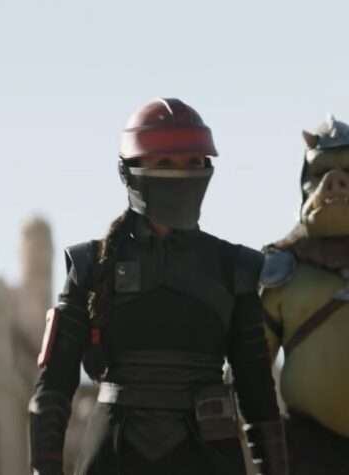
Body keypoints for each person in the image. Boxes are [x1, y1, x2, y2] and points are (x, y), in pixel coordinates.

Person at [28, 98, 288, 475]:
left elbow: (259, 397)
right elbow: (53, 389)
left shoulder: (234, 267)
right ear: (130, 171)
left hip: (207, 457)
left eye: (193, 163)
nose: (181, 175)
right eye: (165, 163)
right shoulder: (90, 266)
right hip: (115, 456)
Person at [260, 116, 349, 474]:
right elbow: (249, 371)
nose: (336, 182)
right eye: (322, 172)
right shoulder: (280, 269)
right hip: (306, 450)